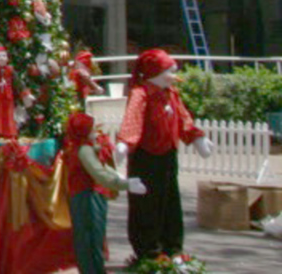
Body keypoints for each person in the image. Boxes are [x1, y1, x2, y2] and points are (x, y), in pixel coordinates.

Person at [115, 49, 214, 263]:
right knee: (147, 204)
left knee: (170, 202)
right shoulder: (141, 93)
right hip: (146, 157)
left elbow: (184, 119)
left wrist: (197, 139)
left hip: (168, 155)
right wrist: (125, 143)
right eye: (169, 70)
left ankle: (173, 248)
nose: (173, 75)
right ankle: (149, 251)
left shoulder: (171, 93)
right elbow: (133, 118)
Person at [64, 111, 146, 274]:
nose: (95, 132)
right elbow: (99, 174)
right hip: (88, 198)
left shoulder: (82, 148)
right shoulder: (84, 151)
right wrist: (125, 184)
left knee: (92, 238)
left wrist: (118, 176)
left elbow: (102, 167)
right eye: (92, 130)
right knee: (91, 238)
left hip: (88, 197)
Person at [0, 45, 33, 138]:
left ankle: (8, 131)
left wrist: (25, 94)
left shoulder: (10, 70)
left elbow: (18, 82)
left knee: (7, 114)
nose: (2, 59)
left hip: (7, 96)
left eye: (4, 56)